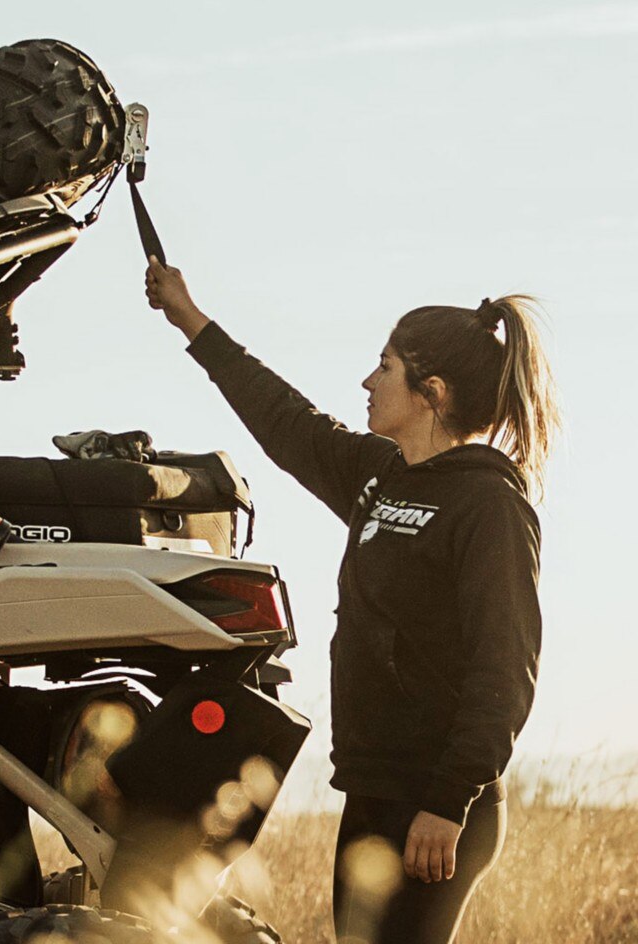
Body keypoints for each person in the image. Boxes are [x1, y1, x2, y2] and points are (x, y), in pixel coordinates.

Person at [143, 256, 558, 944]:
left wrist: (448, 802)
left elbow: (505, 669)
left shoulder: (489, 507)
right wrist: (189, 318)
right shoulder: (379, 475)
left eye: (385, 367)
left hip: (436, 804)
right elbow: (286, 420)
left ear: (432, 392)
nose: (368, 381)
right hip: (372, 787)